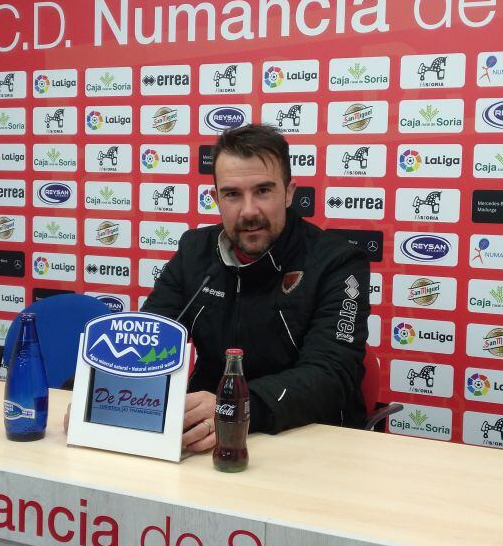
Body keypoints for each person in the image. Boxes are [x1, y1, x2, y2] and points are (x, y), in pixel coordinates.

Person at [142, 124, 370, 453]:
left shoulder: (337, 261)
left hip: (312, 442)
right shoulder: (194, 251)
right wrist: (90, 399)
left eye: (263, 191)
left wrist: (234, 406)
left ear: (289, 193)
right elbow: (146, 339)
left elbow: (331, 375)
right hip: (204, 439)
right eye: (232, 194)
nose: (249, 211)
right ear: (216, 198)